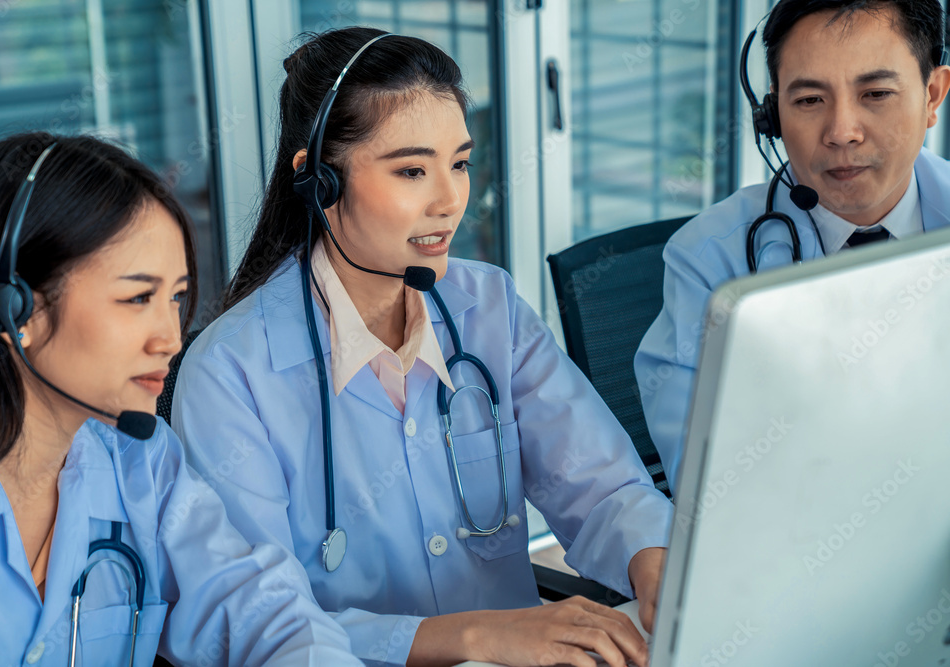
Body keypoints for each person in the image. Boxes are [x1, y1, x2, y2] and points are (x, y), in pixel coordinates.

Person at [173, 27, 672, 667]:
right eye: (412, 170)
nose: (450, 200)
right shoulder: (230, 373)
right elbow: (251, 624)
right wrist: (472, 636)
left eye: (459, 164)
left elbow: (600, 487)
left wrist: (654, 563)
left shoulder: (489, 309)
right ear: (317, 181)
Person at [0, 132, 362, 666]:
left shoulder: (142, 462)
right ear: (16, 309)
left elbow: (262, 610)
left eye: (175, 298)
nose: (170, 337)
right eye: (138, 297)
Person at [635, 0, 950, 494]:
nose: (842, 132)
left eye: (876, 93)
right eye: (809, 101)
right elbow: (711, 484)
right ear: (772, 116)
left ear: (933, 95)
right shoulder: (707, 261)